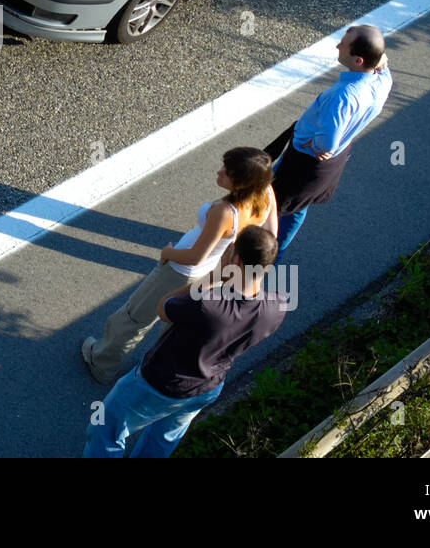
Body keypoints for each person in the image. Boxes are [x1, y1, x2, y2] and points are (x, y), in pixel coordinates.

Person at [83, 225, 287, 458]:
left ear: (237, 260)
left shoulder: (207, 303)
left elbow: (163, 308)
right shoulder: (277, 307)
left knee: (105, 427)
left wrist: (215, 276)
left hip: (161, 382)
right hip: (207, 387)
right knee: (161, 440)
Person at [80, 147, 277, 385]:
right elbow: (271, 234)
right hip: (211, 273)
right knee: (174, 323)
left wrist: (167, 253)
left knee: (135, 317)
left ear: (242, 182)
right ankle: (152, 366)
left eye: (227, 172)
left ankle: (102, 363)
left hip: (181, 271)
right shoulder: (265, 195)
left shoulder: (225, 212)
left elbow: (196, 256)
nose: (219, 171)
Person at [267, 24, 392, 258]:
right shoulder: (383, 82)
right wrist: (381, 60)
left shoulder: (343, 96)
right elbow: (383, 62)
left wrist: (311, 144)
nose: (337, 46)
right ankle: (274, 254)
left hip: (302, 164)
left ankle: (247, 251)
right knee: (297, 207)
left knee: (269, 203)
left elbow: (326, 144)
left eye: (344, 45)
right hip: (329, 167)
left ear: (359, 61)